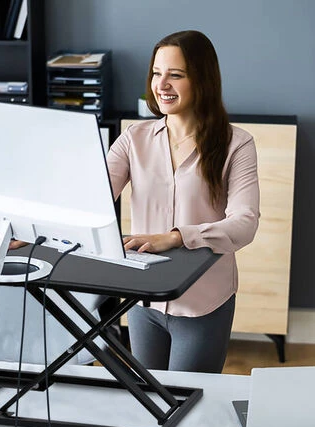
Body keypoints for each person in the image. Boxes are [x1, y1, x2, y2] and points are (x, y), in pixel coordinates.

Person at [106, 30, 260, 373]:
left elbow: (245, 223)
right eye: (156, 73)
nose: (161, 85)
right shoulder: (134, 138)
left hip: (203, 302)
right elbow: (90, 201)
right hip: (143, 300)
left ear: (202, 81)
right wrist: (28, 232)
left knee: (189, 398)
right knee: (148, 397)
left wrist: (177, 237)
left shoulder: (237, 144)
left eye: (175, 75)